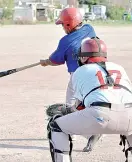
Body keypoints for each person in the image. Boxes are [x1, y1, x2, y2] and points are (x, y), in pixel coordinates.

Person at [47, 37, 132, 162]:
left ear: (84, 57)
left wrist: (66, 111)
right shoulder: (119, 67)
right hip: (130, 116)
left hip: (100, 115)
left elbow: (80, 107)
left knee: (55, 125)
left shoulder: (80, 71)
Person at [40, 7, 102, 151]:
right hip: (97, 73)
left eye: (63, 24)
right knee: (85, 105)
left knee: (70, 107)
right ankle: (85, 130)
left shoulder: (65, 41)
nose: (62, 27)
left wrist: (46, 62)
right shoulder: (89, 28)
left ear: (69, 24)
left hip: (79, 76)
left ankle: (85, 133)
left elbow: (56, 59)